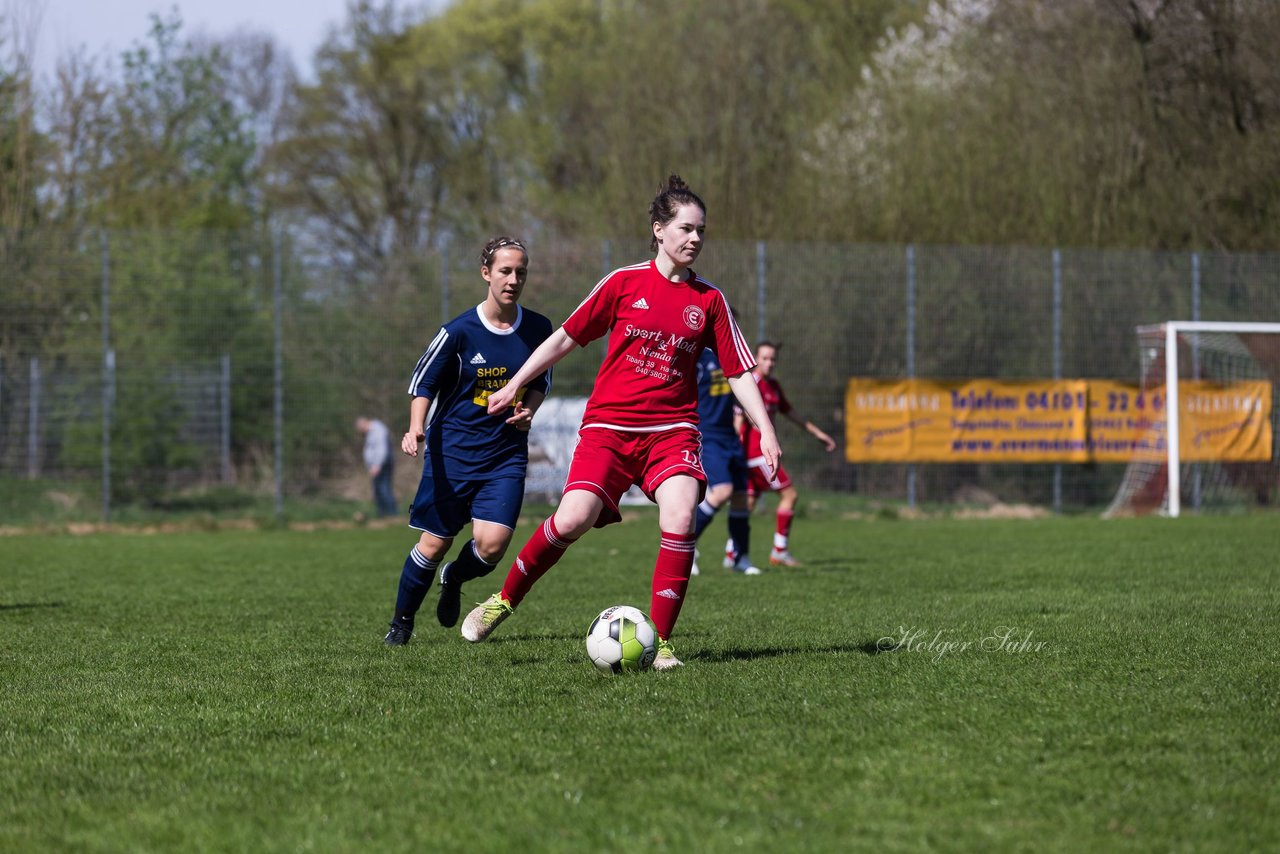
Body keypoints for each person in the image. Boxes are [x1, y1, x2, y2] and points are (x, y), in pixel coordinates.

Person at [462, 175, 781, 671]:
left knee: (679, 518)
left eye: (701, 231)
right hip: (608, 431)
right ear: (659, 230)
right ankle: (502, 601)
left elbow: (739, 370)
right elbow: (564, 339)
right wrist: (515, 383)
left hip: (673, 432)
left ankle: (663, 646)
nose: (695, 239)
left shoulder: (710, 301)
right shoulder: (623, 283)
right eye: (685, 228)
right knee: (571, 519)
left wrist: (766, 427)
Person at [382, 236, 554, 646]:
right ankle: (401, 624)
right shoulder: (458, 332)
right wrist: (415, 427)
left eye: (521, 272)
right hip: (453, 453)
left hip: (505, 453)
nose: (513, 279)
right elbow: (423, 383)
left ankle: (455, 578)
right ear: (486, 274)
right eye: (505, 271)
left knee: (492, 547)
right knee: (434, 543)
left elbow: (541, 380)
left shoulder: (538, 329)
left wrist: (529, 408)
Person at [729, 340, 837, 568]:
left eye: (773, 359)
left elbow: (792, 413)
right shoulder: (751, 383)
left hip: (758, 456)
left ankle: (732, 553)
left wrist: (819, 434)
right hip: (755, 455)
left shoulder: (774, 386)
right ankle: (779, 551)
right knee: (790, 495)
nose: (769, 363)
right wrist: (733, 454)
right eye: (765, 358)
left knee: (746, 504)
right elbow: (738, 421)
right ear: (755, 358)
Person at [690, 344, 761, 576]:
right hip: (708, 436)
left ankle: (741, 558)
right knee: (722, 491)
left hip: (730, 437)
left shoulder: (731, 357)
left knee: (741, 498)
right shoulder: (697, 356)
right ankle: (687, 548)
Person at [356, 416, 397, 517]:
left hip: (383, 464)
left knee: (384, 489)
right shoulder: (370, 433)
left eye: (361, 430)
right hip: (376, 465)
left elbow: (382, 448)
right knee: (378, 490)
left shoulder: (378, 430)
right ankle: (382, 514)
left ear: (364, 424)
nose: (361, 432)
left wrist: (377, 465)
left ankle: (392, 514)